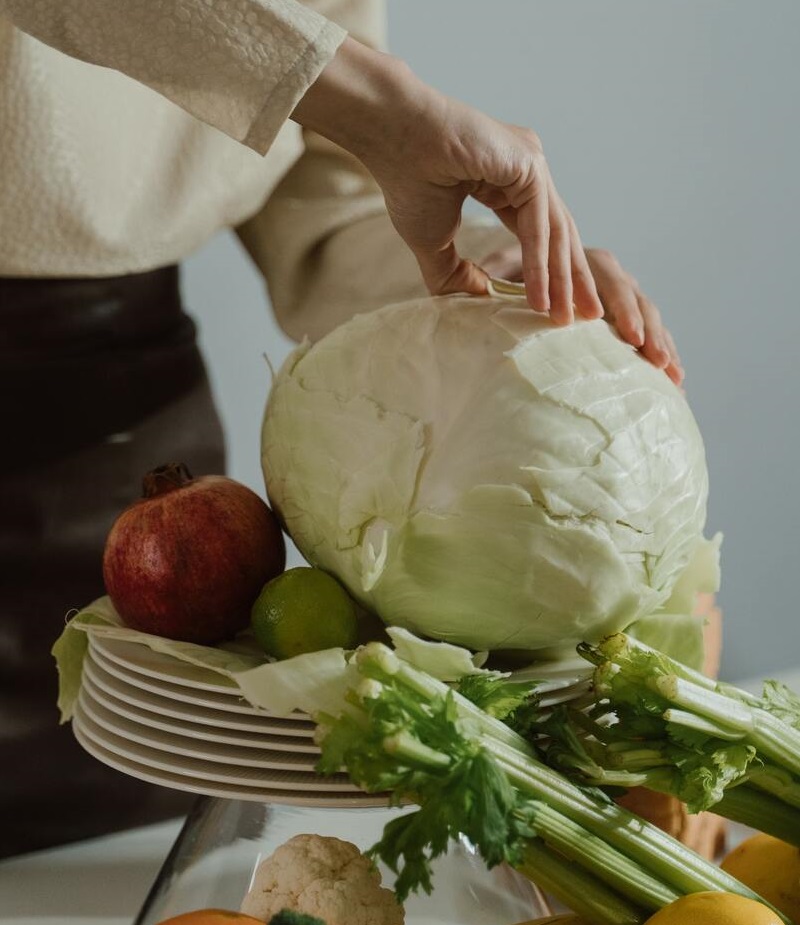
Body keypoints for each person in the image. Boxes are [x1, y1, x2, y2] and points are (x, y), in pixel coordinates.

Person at [0, 0, 688, 859]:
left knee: (111, 852)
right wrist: (373, 97)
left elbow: (316, 192)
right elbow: (330, 95)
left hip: (133, 465)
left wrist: (484, 279)